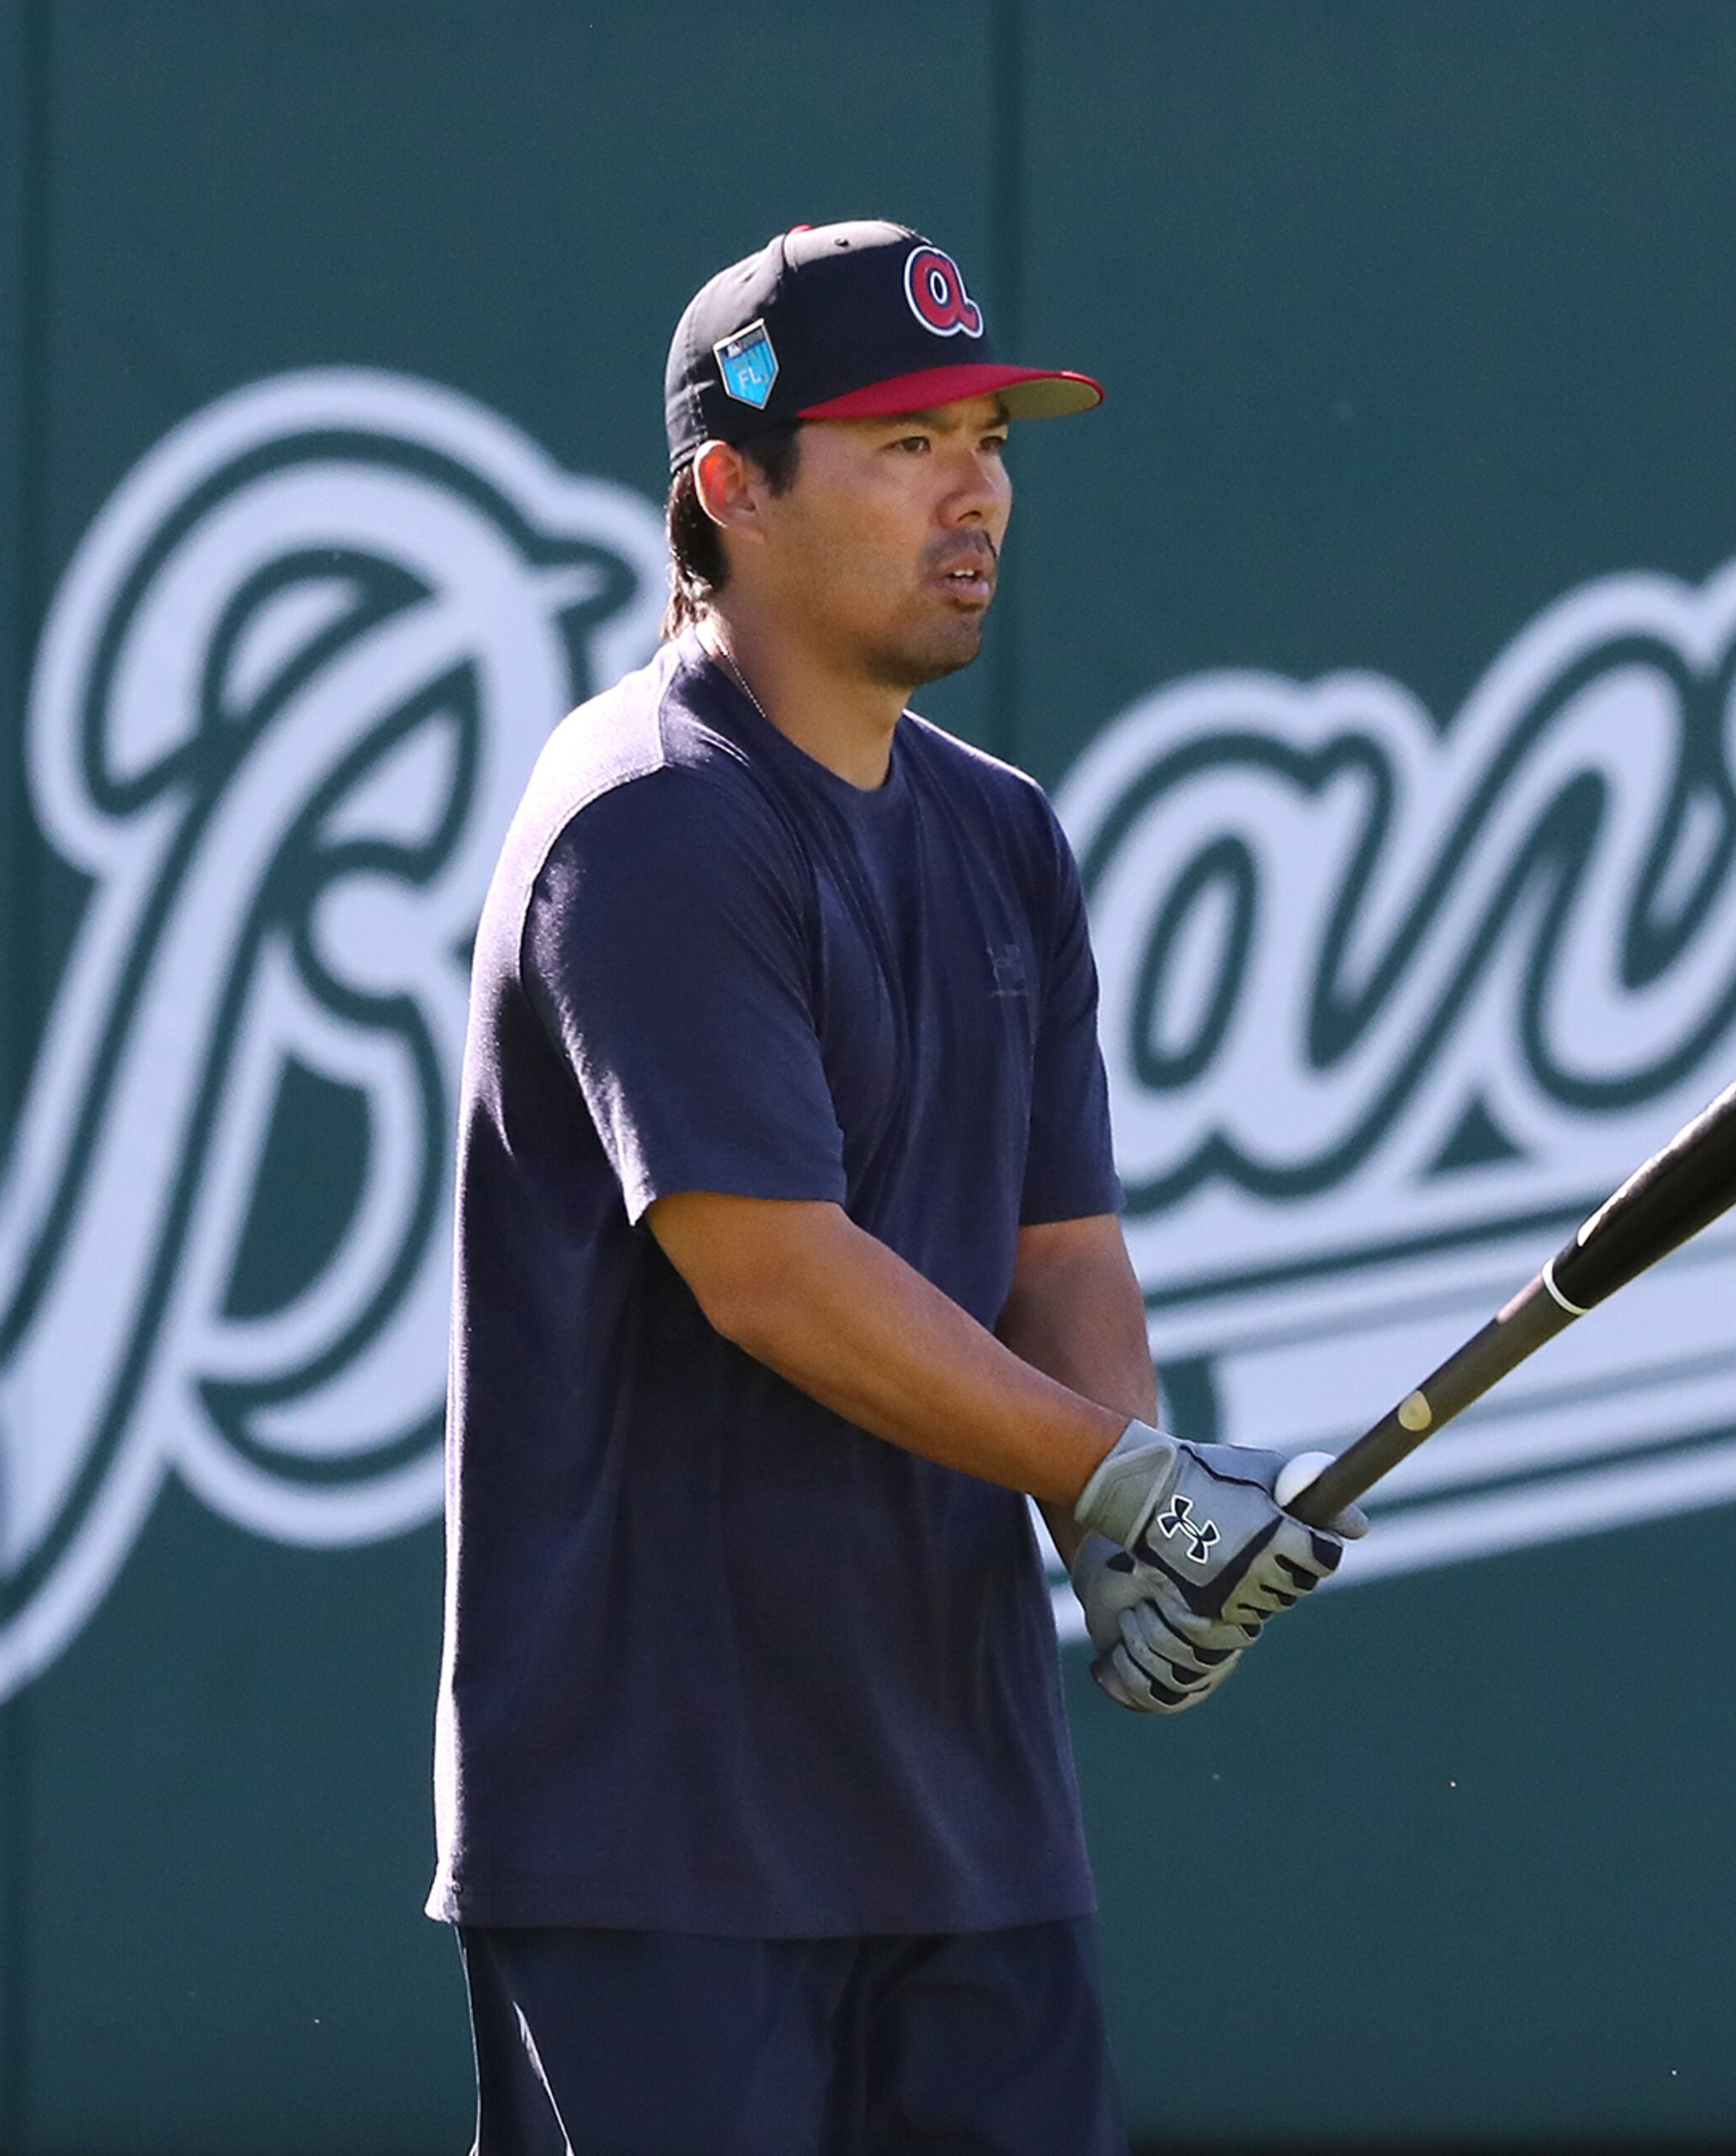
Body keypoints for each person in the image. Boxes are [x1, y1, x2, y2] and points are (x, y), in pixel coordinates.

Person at [425, 219, 1357, 2155]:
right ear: (729, 492)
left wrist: (1124, 1515)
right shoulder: (651, 820)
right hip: (656, 1845)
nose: (980, 489)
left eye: (993, 439)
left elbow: (1061, 1244)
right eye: (904, 441)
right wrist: (1116, 1484)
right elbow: (766, 1269)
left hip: (967, 1826)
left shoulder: (1003, 833)